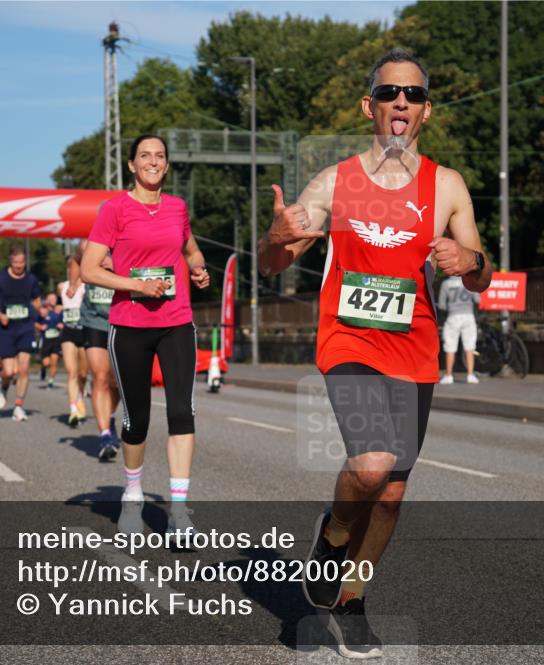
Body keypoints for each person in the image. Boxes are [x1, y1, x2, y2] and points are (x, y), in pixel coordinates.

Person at [258, 49, 492, 658]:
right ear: (370, 105)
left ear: (426, 111)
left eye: (414, 95)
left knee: (390, 494)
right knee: (371, 464)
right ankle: (334, 536)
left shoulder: (446, 185)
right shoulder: (334, 181)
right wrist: (274, 239)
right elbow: (274, 261)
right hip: (349, 339)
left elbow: (481, 275)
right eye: (390, 93)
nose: (401, 103)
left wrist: (470, 260)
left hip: (414, 348)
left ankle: (353, 598)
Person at [80, 134, 210, 533]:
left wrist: (198, 269)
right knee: (136, 419)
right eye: (145, 156)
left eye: (159, 156)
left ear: (166, 165)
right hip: (130, 325)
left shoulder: (177, 208)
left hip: (176, 322)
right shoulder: (114, 210)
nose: (152, 162)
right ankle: (133, 495)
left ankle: (179, 511)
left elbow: (191, 250)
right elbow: (89, 269)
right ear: (132, 165)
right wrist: (136, 286)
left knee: (181, 413)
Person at [70, 243, 118, 456]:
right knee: (100, 376)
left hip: (121, 316)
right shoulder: (87, 244)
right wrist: (74, 283)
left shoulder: (129, 238)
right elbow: (75, 260)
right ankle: (105, 435)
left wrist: (116, 264)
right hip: (93, 319)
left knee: (117, 382)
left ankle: (110, 416)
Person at [0, 245, 41, 421]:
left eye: (22, 263)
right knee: (9, 372)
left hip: (26, 327)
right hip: (7, 329)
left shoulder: (31, 279)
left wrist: (38, 307)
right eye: (16, 262)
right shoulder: (1, 278)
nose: (19, 266)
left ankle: (18, 407)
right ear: (10, 261)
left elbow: (36, 299)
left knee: (23, 369)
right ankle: (4, 387)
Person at [58, 256, 88, 428]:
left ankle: (80, 397)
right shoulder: (61, 287)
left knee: (83, 374)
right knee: (71, 372)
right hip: (68, 332)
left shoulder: (86, 287)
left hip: (84, 332)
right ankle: (73, 409)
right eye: (70, 268)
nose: (73, 271)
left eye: (76, 267)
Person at [437, 274, 482, 384]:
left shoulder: (446, 284)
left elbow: (442, 305)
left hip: (453, 316)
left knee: (450, 347)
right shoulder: (470, 280)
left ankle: (448, 375)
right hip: (468, 316)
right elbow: (477, 299)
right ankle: (470, 375)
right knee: (470, 347)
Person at [35, 302, 62, 388]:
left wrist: (61, 325)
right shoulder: (39, 317)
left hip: (55, 341)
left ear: (47, 309)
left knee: (54, 361)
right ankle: (43, 369)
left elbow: (63, 323)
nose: (41, 312)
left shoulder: (55, 316)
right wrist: (40, 327)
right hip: (45, 341)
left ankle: (51, 381)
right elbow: (34, 323)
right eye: (40, 310)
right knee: (46, 363)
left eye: (43, 310)